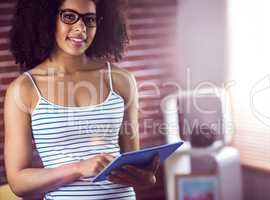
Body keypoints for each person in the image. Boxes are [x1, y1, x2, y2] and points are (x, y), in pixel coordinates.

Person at [4, 0, 159, 199]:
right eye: (69, 16)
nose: (80, 28)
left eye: (90, 19)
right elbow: (18, 182)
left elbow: (130, 162)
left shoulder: (120, 80)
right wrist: (78, 168)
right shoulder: (24, 89)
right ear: (47, 19)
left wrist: (145, 178)